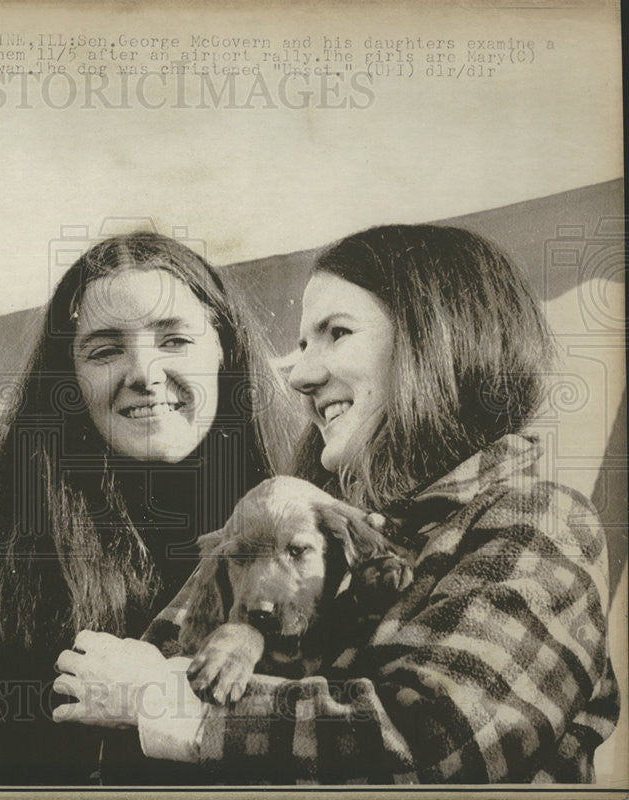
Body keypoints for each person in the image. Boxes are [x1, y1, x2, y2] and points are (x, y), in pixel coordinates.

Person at [52, 224, 620, 783]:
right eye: (301, 344)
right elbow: (140, 680)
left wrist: (167, 703)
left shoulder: (535, 521)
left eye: (336, 333)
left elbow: (438, 741)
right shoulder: (296, 508)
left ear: (440, 341)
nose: (300, 374)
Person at [0, 232, 297, 784]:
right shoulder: (17, 559)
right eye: (106, 349)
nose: (143, 372)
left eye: (175, 340)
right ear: (68, 380)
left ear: (226, 349)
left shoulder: (311, 514)